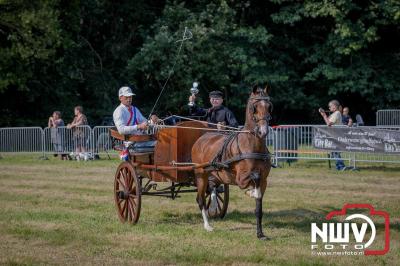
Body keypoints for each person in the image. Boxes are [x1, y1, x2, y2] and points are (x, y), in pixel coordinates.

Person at [319, 100, 347, 170]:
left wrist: (324, 115)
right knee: (334, 152)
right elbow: (327, 122)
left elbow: (329, 124)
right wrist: (324, 115)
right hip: (334, 135)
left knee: (335, 152)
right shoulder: (334, 114)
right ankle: (339, 166)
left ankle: (341, 166)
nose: (329, 108)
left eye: (330, 106)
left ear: (334, 106)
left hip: (336, 135)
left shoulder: (337, 113)